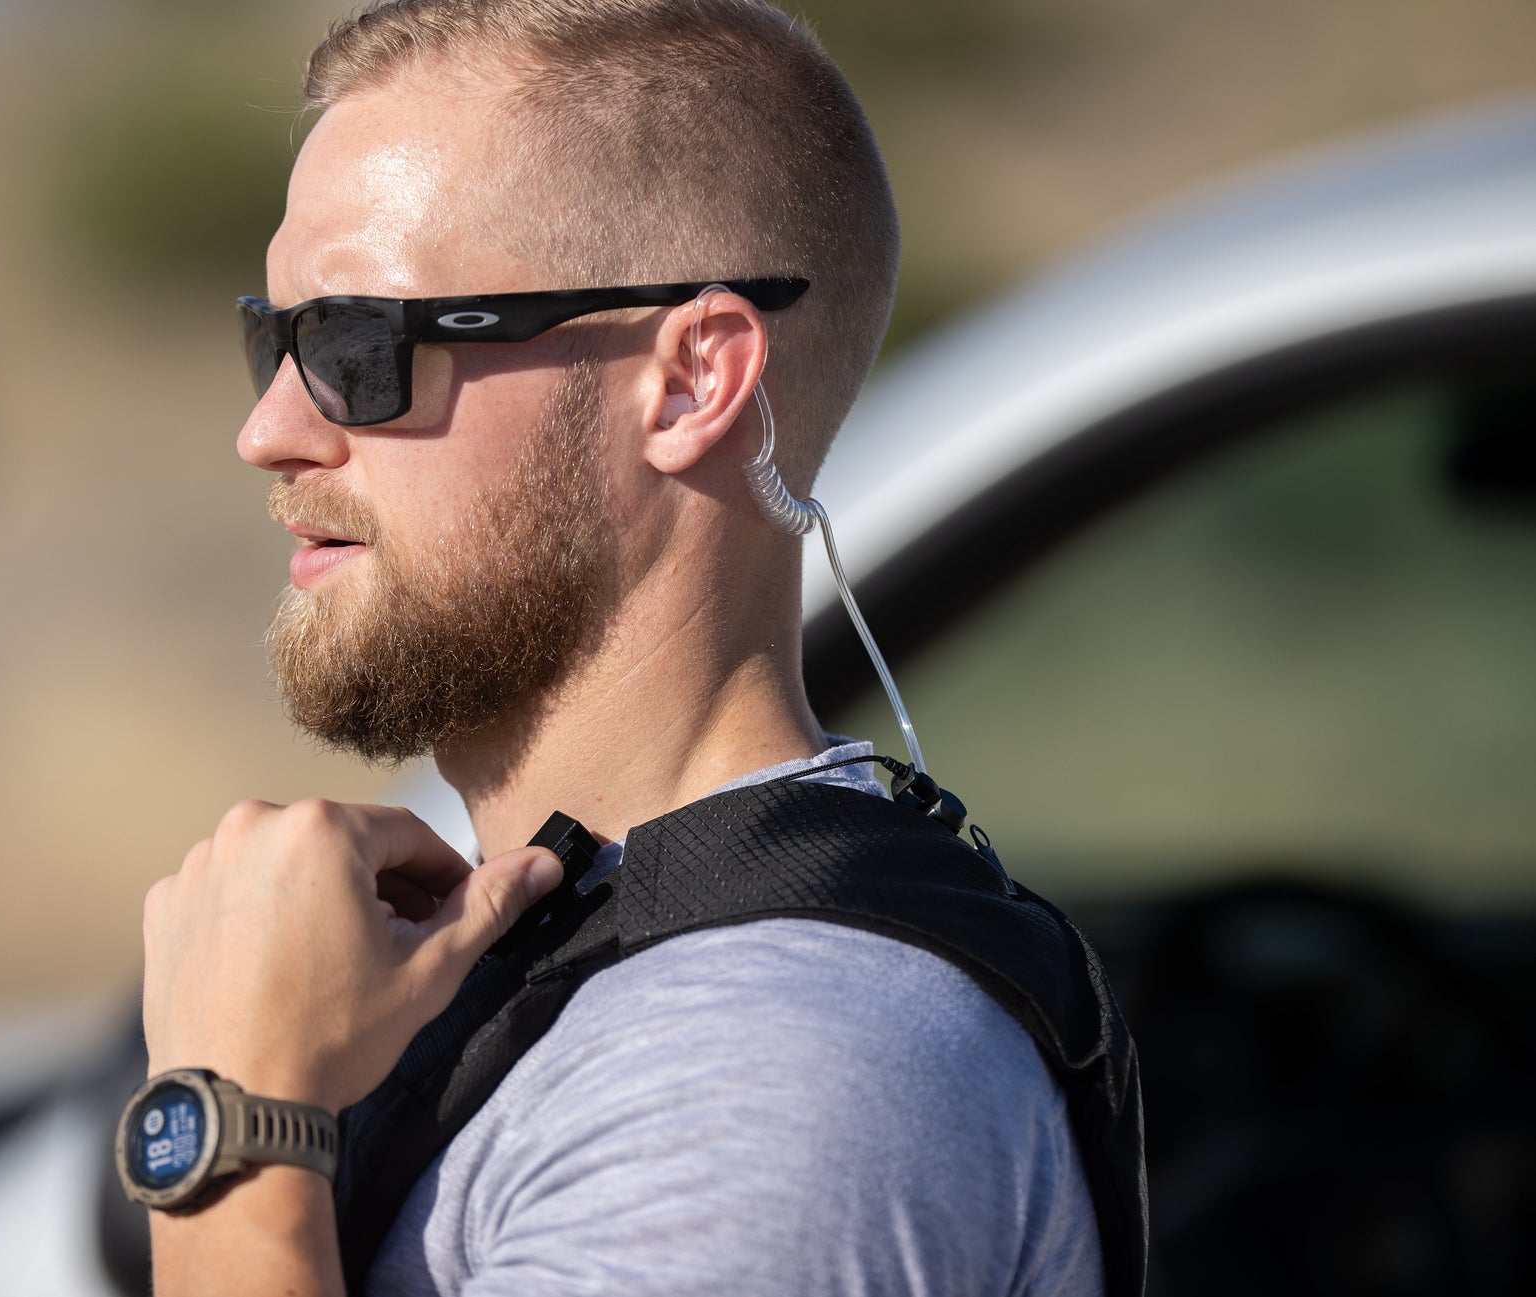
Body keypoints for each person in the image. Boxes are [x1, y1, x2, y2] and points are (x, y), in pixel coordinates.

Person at [132, 2, 1140, 1294]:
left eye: (355, 344)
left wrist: (227, 1126)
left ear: (691, 381)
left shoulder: (772, 1076)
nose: (269, 430)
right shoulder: (559, 958)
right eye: (272, 340)